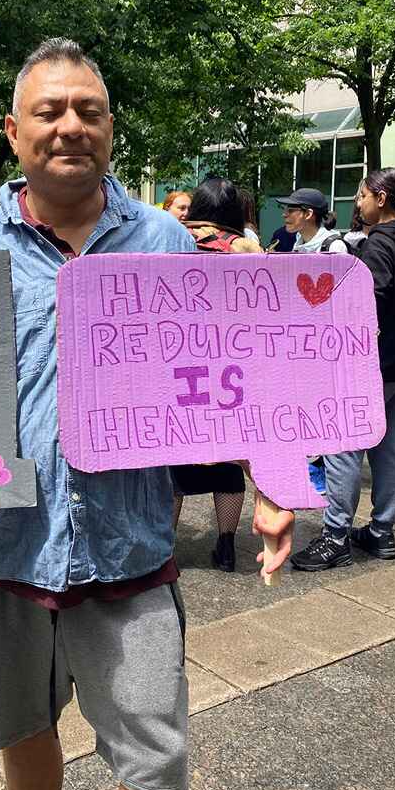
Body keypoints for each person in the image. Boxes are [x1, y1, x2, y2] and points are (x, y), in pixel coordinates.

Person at [0, 39, 295, 790]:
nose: (71, 126)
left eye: (90, 110)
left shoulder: (164, 241)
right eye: (50, 111)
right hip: (6, 544)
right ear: (13, 133)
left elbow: (221, 378)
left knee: (155, 754)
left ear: (111, 128)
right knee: (22, 729)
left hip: (129, 547)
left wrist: (271, 483)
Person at [291, 168, 395, 571]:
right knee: (387, 443)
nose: (357, 202)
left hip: (377, 361)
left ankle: (335, 536)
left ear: (381, 199)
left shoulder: (379, 244)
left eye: (361, 194)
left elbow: (373, 299)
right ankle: (382, 530)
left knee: (342, 444)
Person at [172, 178, 261, 572]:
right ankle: (226, 546)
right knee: (228, 460)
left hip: (178, 370)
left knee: (171, 462)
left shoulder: (171, 242)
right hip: (232, 373)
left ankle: (164, 547)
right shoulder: (247, 249)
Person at [275, 188, 348, 253]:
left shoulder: (335, 247)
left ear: (308, 214)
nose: (284, 215)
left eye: (290, 211)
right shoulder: (298, 244)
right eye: (285, 210)